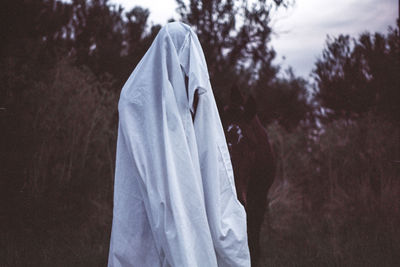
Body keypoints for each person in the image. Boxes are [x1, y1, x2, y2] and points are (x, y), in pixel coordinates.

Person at [107, 21, 250, 267]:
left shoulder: (195, 99)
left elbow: (212, 161)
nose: (185, 72)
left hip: (189, 204)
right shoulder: (134, 99)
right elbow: (149, 167)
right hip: (145, 204)